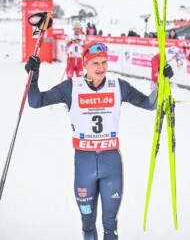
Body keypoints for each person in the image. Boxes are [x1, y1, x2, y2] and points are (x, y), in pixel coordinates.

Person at [25, 41, 173, 240]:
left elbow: (149, 103)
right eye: (95, 63)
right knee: (87, 224)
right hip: (84, 164)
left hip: (111, 164)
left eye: (104, 62)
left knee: (110, 226)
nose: (101, 67)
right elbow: (36, 102)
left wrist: (163, 81)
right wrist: (33, 77)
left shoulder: (119, 86)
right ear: (84, 64)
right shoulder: (71, 87)